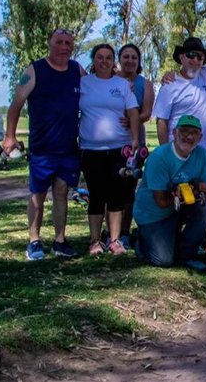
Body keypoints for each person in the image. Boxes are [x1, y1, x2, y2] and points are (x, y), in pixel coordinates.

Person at [3, 28, 85, 260]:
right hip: (42, 147)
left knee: (61, 192)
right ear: (50, 43)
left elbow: (96, 90)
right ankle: (34, 241)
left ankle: (59, 241)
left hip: (68, 147)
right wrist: (9, 136)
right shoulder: (35, 70)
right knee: (37, 194)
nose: (63, 47)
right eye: (59, 42)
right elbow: (16, 104)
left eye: (68, 43)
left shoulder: (77, 69)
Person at [79, 44, 140, 255]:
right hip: (91, 149)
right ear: (93, 61)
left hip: (119, 149)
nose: (104, 61)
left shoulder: (122, 85)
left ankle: (114, 240)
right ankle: (95, 241)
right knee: (96, 195)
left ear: (113, 61)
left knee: (116, 195)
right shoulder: (83, 83)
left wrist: (134, 140)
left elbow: (133, 113)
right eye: (99, 57)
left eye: (108, 57)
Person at [133, 115, 206, 270]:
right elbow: (161, 202)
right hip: (153, 214)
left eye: (194, 133)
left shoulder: (203, 154)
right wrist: (193, 188)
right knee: (164, 260)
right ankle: (140, 242)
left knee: (205, 208)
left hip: (177, 207)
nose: (189, 136)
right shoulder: (159, 157)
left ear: (200, 137)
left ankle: (187, 254)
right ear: (174, 133)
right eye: (184, 131)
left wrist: (190, 188)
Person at [116, 43, 155, 248]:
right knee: (109, 189)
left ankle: (124, 231)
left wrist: (133, 119)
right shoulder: (110, 81)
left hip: (134, 144)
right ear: (119, 59)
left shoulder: (145, 84)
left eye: (134, 57)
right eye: (126, 57)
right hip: (109, 143)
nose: (130, 61)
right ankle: (110, 231)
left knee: (129, 189)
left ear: (139, 62)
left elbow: (147, 113)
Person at [153, 37, 206, 150]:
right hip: (180, 150)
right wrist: (166, 151)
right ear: (181, 57)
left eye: (200, 57)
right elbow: (161, 121)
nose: (195, 60)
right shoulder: (169, 85)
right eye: (191, 55)